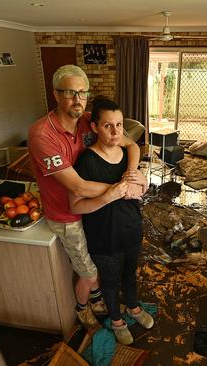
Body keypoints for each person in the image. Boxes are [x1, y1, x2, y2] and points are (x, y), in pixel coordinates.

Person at [28, 65, 146, 329]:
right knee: (90, 272)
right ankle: (82, 308)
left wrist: (133, 172)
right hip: (67, 214)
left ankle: (96, 299)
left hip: (95, 211)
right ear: (56, 94)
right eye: (70, 93)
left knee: (101, 263)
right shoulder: (42, 135)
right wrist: (123, 188)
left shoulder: (87, 119)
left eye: (82, 92)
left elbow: (131, 144)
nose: (77, 99)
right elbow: (79, 187)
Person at [69, 96, 153, 345]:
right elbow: (76, 205)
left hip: (131, 227)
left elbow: (139, 190)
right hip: (104, 235)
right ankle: (116, 319)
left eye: (119, 124)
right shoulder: (86, 162)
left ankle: (133, 308)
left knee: (130, 274)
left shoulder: (128, 156)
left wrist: (143, 184)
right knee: (109, 280)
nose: (116, 131)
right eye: (108, 125)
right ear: (94, 127)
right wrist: (109, 196)